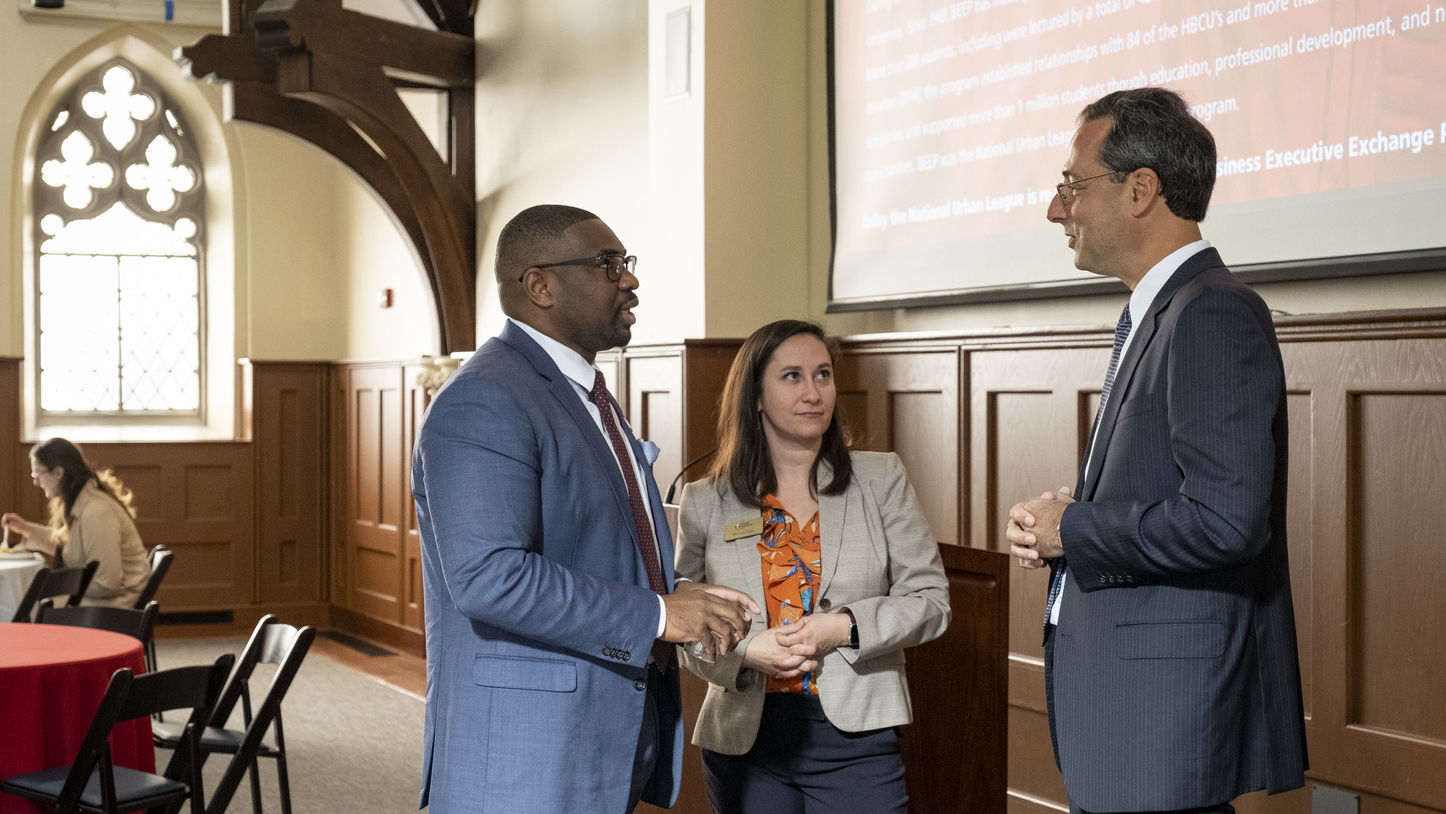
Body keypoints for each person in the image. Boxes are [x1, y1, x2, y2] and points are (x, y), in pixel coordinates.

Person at [1006, 88, 1308, 813]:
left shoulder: (1212, 312)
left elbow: (1226, 521)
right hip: (1135, 719)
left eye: (1071, 187)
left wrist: (1072, 529)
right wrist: (1074, 517)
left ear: (1141, 190)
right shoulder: (1159, 313)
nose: (1057, 210)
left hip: (1162, 726)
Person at [410, 203, 759, 813]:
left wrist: (686, 599)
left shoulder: (587, 393)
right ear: (539, 285)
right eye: (607, 265)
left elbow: (593, 552)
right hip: (527, 757)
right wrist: (658, 614)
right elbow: (490, 577)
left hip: (601, 731)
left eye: (625, 263)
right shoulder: (485, 399)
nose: (630, 279)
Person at [675, 319, 951, 814]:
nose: (813, 392)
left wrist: (843, 627)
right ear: (755, 395)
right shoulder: (704, 502)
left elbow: (931, 601)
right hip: (745, 741)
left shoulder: (880, 478)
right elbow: (684, 631)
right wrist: (745, 653)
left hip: (856, 734)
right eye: (792, 377)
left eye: (823, 375)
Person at [2, 437, 148, 607]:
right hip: (102, 600)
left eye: (37, 473)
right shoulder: (82, 502)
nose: (36, 482)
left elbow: (107, 582)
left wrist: (56, 586)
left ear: (58, 472)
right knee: (21, 602)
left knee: (23, 605)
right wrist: (26, 529)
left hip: (114, 605)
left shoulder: (96, 512)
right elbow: (72, 547)